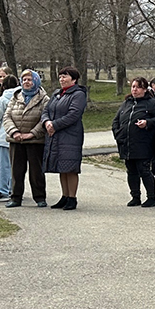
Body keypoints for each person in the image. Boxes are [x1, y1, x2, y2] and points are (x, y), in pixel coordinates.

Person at [112, 76, 155, 208]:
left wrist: (147, 123)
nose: (135, 90)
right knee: (131, 170)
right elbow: (116, 121)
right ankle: (135, 196)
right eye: (133, 86)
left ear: (145, 89)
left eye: (138, 87)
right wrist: (118, 134)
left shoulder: (152, 103)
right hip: (126, 143)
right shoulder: (126, 103)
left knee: (144, 170)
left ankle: (151, 197)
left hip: (143, 142)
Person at [41, 66, 87, 211]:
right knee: (62, 167)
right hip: (55, 136)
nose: (62, 79)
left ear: (73, 79)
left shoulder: (78, 94)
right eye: (60, 77)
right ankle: (65, 196)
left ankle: (72, 198)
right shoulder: (57, 94)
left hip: (70, 136)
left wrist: (55, 124)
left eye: (65, 76)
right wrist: (47, 122)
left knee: (70, 167)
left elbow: (74, 114)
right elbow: (46, 110)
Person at [2, 70, 50, 208]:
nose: (26, 82)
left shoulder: (44, 99)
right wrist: (15, 132)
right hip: (16, 140)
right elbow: (7, 116)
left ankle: (40, 197)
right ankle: (15, 197)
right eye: (24, 80)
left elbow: (45, 119)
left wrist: (32, 134)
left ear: (36, 81)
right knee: (16, 171)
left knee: (36, 171)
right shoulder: (15, 96)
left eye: (29, 79)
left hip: (35, 141)